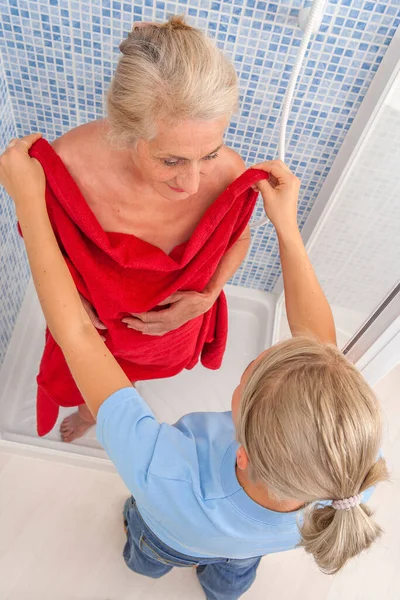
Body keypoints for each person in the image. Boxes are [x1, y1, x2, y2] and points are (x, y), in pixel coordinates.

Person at [0, 135, 388, 600]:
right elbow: (319, 346)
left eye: (249, 375)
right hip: (254, 544)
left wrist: (28, 202)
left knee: (148, 551)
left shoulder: (165, 475)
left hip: (173, 536)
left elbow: (78, 336)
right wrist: (286, 226)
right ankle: (223, 588)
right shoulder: (349, 471)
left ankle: (147, 562)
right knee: (235, 567)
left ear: (242, 454)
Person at [31, 16, 254, 442]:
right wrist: (72, 299)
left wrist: (207, 298)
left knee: (135, 377)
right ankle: (90, 410)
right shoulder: (68, 167)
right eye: (171, 160)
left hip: (172, 326)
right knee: (89, 377)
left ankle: (110, 404)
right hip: (95, 322)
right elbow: (47, 243)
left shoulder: (229, 173)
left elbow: (239, 238)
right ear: (125, 131)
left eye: (209, 153)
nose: (192, 185)